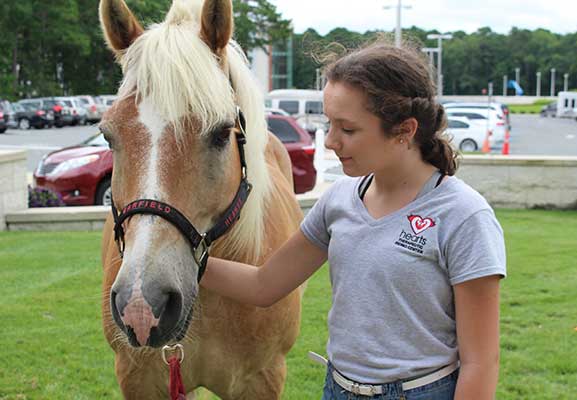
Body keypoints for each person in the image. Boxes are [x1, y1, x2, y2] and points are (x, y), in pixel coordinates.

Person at [201, 39, 506, 400]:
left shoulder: (464, 217)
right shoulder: (340, 200)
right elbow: (264, 286)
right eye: (329, 124)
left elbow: (480, 363)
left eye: (348, 129)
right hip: (339, 389)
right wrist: (177, 259)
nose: (330, 141)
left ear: (405, 131)